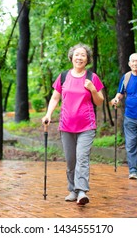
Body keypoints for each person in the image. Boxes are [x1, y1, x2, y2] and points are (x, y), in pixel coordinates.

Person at [42, 43, 104, 205]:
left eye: (83, 55)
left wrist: (92, 90)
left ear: (87, 59)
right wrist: (48, 114)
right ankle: (73, 190)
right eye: (77, 54)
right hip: (66, 125)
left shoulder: (92, 77)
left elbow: (99, 102)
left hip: (86, 126)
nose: (79, 57)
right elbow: (55, 97)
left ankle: (82, 191)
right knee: (71, 160)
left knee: (82, 158)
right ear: (71, 57)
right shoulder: (63, 76)